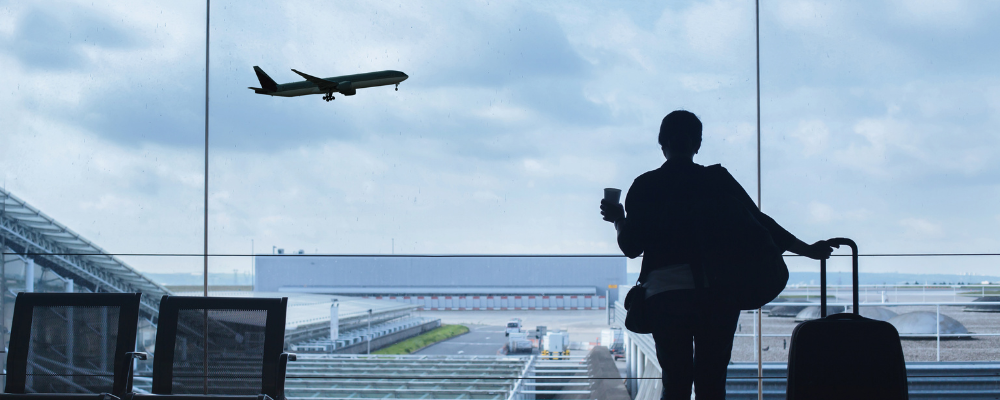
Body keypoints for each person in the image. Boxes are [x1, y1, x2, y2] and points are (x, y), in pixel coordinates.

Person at [600, 110, 833, 400]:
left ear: (662, 142)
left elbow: (631, 247)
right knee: (712, 384)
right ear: (698, 143)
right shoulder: (717, 180)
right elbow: (761, 223)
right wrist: (808, 250)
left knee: (676, 382)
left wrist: (618, 219)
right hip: (717, 294)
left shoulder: (645, 185)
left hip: (665, 295)